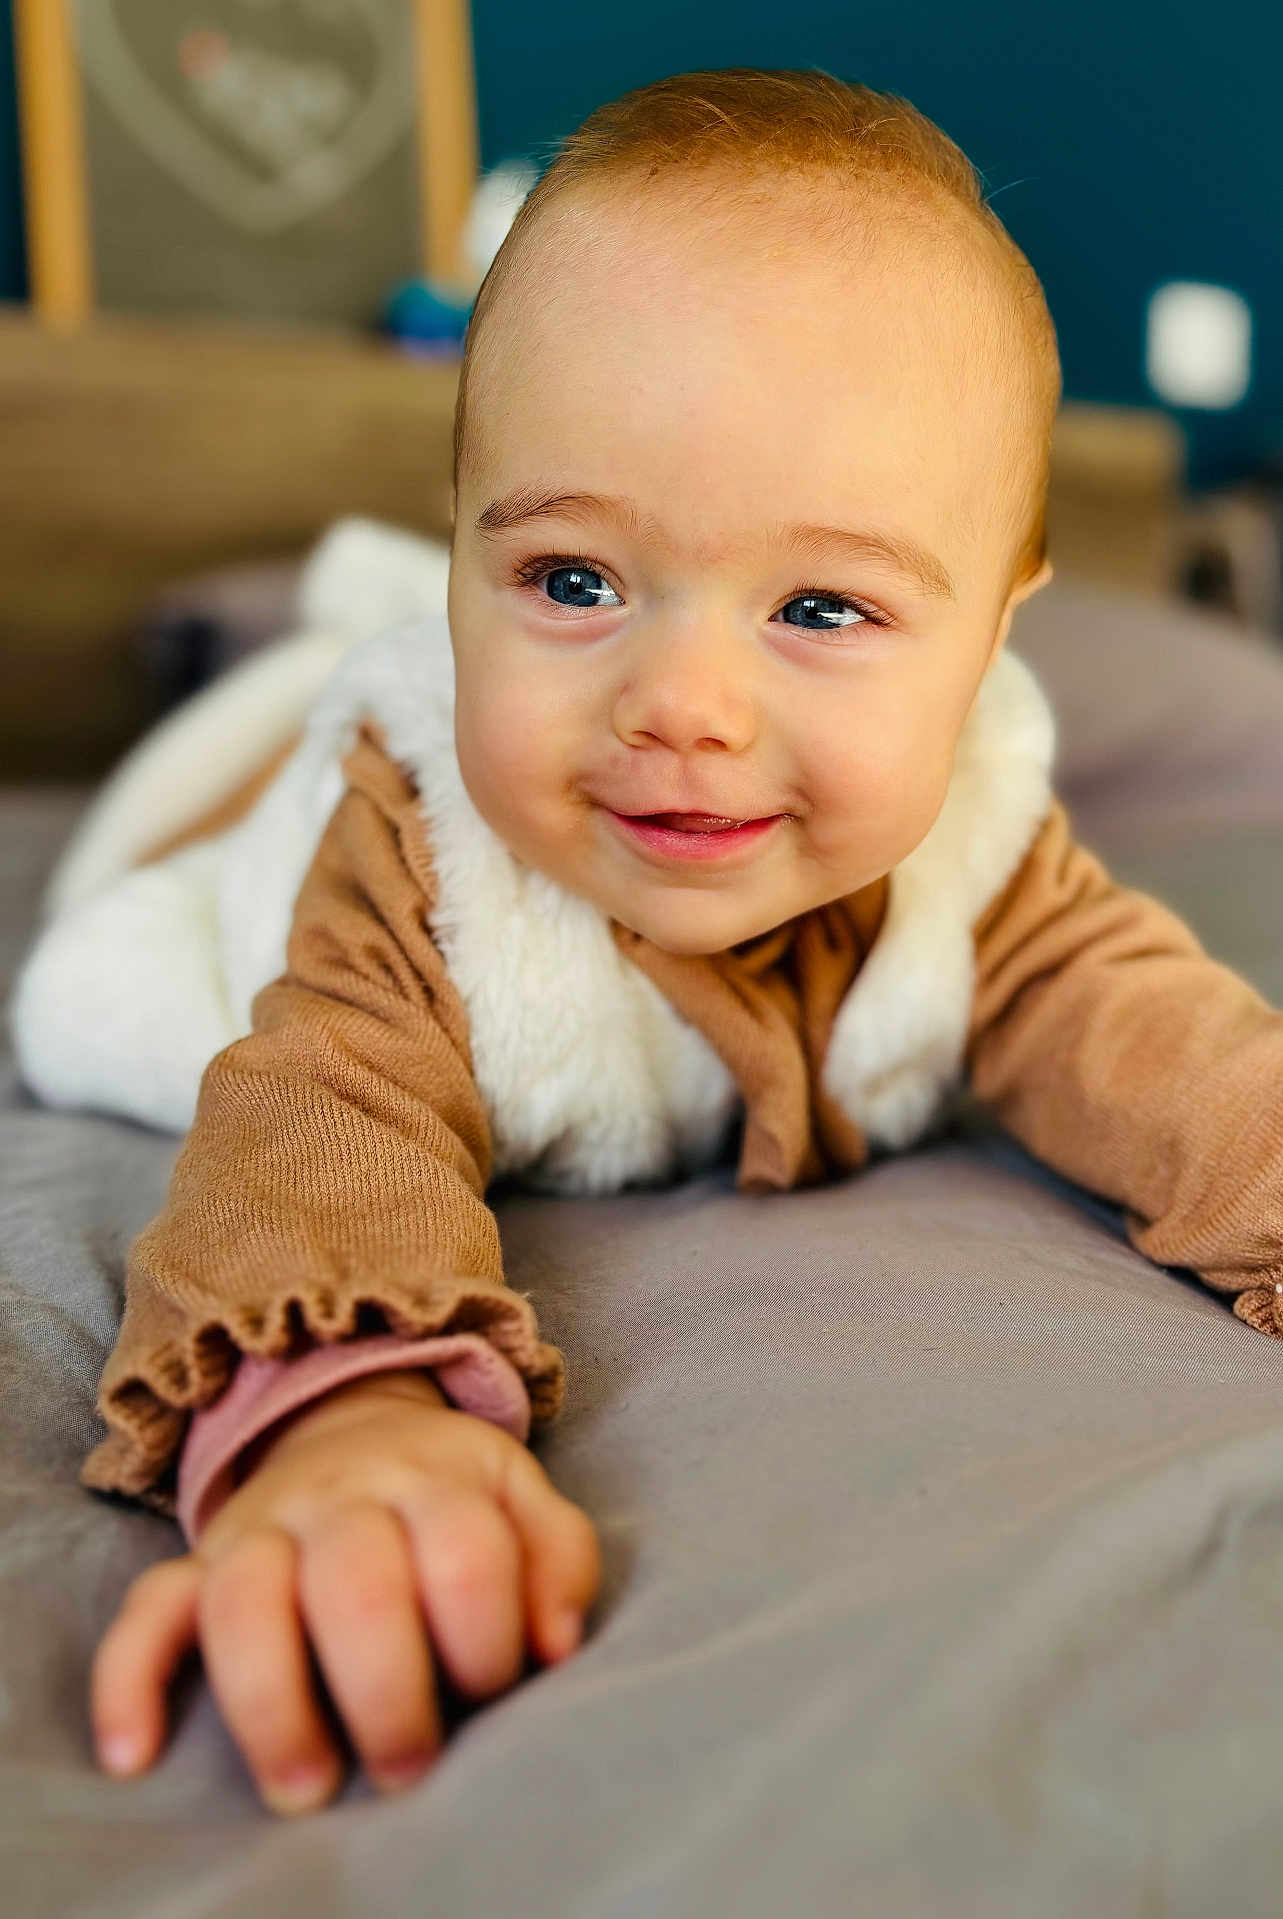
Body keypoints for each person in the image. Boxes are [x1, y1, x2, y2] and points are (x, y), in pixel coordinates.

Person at [11, 68, 1283, 1821]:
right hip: (241, 832)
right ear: (466, 552)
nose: (681, 706)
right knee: (188, 858)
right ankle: (304, 656)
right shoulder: (426, 855)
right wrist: (345, 1417)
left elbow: (1155, 1038)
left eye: (821, 607)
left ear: (995, 633)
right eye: (572, 580)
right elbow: (318, 1116)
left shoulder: (981, 835)